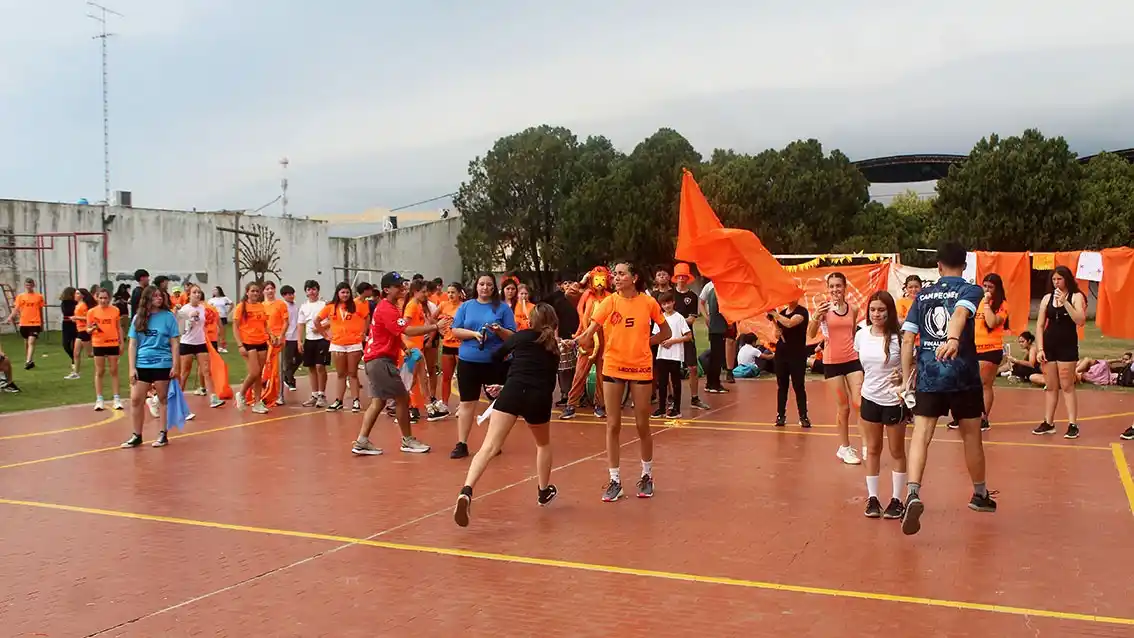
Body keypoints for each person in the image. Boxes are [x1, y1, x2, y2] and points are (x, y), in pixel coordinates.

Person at [899, 242, 996, 536]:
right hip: (963, 376)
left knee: (921, 435)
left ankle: (913, 492)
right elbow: (959, 316)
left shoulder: (923, 295)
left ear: (938, 266)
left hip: (929, 375)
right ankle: (980, 494)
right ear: (964, 265)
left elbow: (907, 339)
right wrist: (953, 341)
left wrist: (906, 379)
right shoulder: (971, 290)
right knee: (971, 437)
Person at [453, 303, 562, 526]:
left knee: (489, 447)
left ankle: (467, 490)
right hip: (539, 397)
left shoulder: (520, 337)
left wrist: (505, 382)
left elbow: (496, 356)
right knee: (543, 445)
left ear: (531, 321)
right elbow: (549, 381)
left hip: (513, 391)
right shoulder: (553, 347)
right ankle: (543, 491)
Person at [573, 261, 670, 502]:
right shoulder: (609, 302)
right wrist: (579, 340)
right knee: (612, 425)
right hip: (613, 366)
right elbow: (591, 330)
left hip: (640, 368)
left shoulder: (648, 303)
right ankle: (615, 480)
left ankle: (647, 476)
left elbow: (666, 332)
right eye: (614, 274)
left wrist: (646, 343)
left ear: (634, 277)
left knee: (641, 425)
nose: (616, 278)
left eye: (621, 274)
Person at [352, 271, 434, 456]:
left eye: (403, 285)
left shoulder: (389, 307)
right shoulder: (386, 308)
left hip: (376, 359)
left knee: (378, 402)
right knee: (402, 398)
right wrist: (434, 327)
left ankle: (362, 441)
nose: (403, 288)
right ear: (387, 289)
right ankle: (407, 440)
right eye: (398, 286)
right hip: (380, 361)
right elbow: (408, 330)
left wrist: (404, 348)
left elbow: (394, 333)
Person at [447, 273, 516, 458]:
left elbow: (511, 335)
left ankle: (493, 442)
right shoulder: (466, 307)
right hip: (469, 361)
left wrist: (499, 330)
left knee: (497, 404)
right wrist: (473, 334)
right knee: (467, 402)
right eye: (481, 284)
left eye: (489, 285)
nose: (485, 288)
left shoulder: (502, 309)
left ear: (494, 288)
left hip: (495, 361)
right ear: (476, 286)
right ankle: (461, 443)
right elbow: (455, 330)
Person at [855, 291, 907, 520]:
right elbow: (860, 364)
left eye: (881, 310)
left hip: (893, 400)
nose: (876, 314)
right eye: (873, 309)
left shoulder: (900, 337)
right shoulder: (862, 334)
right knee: (873, 449)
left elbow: (913, 364)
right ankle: (873, 498)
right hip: (870, 398)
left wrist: (904, 378)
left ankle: (897, 499)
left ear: (889, 311)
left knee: (896, 451)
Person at [807, 272, 863, 465]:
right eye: (831, 286)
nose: (835, 290)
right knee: (844, 407)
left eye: (838, 286)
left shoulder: (853, 309)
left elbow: (852, 331)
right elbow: (811, 333)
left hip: (852, 359)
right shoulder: (823, 310)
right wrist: (815, 317)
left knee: (860, 403)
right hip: (832, 362)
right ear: (828, 289)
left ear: (845, 287)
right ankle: (844, 447)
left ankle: (866, 445)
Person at [122, 285, 180, 449]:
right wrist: (131, 368)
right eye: (155, 296)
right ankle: (137, 435)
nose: (159, 298)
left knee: (162, 398)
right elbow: (132, 344)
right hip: (142, 363)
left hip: (162, 362)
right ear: (147, 298)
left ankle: (163, 433)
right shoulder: (138, 318)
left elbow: (175, 343)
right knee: (135, 399)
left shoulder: (168, 317)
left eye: (160, 296)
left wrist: (175, 365)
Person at [1033, 266, 1087, 439]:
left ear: (1067, 280)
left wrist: (1065, 302)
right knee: (1051, 386)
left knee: (1067, 385)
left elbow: (1080, 320)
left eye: (1060, 279)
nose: (1056, 283)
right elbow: (1040, 325)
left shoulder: (1076, 297)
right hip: (1049, 345)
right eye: (1054, 280)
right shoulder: (1047, 298)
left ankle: (1072, 423)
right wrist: (1040, 348)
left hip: (1067, 345)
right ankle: (1048, 422)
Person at [318, 282, 370, 412]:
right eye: (342, 292)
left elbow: (367, 317)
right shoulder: (331, 306)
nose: (345, 295)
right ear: (338, 293)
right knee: (341, 374)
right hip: (337, 344)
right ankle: (338, 400)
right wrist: (324, 334)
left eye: (347, 292)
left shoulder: (357, 305)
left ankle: (356, 400)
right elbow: (316, 320)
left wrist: (364, 333)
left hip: (354, 343)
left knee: (352, 373)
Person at [967, 273, 1009, 432]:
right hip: (973, 347)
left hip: (990, 349)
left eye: (990, 287)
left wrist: (986, 304)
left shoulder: (1002, 305)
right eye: (984, 286)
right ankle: (967, 416)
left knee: (984, 384)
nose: (986, 290)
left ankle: (983, 417)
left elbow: (991, 322)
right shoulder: (975, 302)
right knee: (969, 384)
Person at [176, 284, 224, 410]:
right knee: (185, 372)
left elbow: (204, 324)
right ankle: (178, 398)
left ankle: (213, 397)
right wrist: (190, 320)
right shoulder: (184, 309)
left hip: (201, 342)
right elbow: (181, 330)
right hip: (187, 343)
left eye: (199, 292)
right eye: (194, 292)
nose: (197, 294)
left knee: (206, 371)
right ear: (189, 295)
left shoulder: (203, 308)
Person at [671, 263, 710, 410]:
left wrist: (677, 320)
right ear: (675, 278)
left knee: (692, 367)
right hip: (672, 336)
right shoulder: (670, 294)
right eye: (679, 276)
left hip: (687, 336)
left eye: (684, 276)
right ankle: (672, 396)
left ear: (688, 278)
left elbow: (691, 319)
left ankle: (694, 397)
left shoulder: (692, 297)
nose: (681, 279)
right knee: (671, 367)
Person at [771, 295, 811, 428]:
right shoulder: (782, 313)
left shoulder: (802, 312)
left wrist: (774, 314)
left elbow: (790, 323)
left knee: (798, 386)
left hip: (797, 354)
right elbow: (777, 334)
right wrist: (776, 326)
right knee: (782, 386)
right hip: (781, 353)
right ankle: (780, 415)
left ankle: (803, 416)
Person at [651, 291, 691, 419]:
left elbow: (688, 336)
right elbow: (656, 335)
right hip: (662, 355)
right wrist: (661, 342)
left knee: (675, 382)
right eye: (664, 304)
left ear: (673, 302)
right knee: (662, 382)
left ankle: (676, 409)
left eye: (669, 303)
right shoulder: (660, 318)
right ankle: (662, 408)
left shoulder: (679, 318)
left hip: (675, 355)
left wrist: (672, 341)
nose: (667, 306)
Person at [232, 282, 270, 414]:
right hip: (248, 342)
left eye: (257, 291)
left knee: (259, 374)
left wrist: (270, 335)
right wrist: (240, 344)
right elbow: (235, 327)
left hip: (262, 342)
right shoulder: (241, 307)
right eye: (252, 291)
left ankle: (257, 402)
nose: (255, 293)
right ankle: (241, 393)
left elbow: (265, 324)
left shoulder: (261, 306)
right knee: (254, 371)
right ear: (247, 292)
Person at [87, 288, 124, 410]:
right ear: (97, 298)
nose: (103, 300)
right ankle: (99, 399)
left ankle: (117, 398)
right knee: (100, 371)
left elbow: (118, 328)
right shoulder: (92, 312)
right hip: (98, 344)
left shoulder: (115, 310)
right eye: (101, 298)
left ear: (109, 298)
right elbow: (87, 329)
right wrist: (92, 329)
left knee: (114, 370)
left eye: (105, 298)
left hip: (112, 343)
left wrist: (121, 342)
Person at [297, 280, 329, 407]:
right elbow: (300, 324)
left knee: (320, 366)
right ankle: (314, 394)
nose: (312, 292)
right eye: (309, 289)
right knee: (311, 367)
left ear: (318, 290)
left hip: (322, 339)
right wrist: (299, 341)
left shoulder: (324, 305)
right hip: (309, 340)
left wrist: (321, 327)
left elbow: (332, 320)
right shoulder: (303, 307)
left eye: (314, 289)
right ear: (306, 292)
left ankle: (322, 394)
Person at [7, 278, 46, 370]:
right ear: (25, 286)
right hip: (24, 322)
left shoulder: (39, 297)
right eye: (27, 285)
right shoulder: (20, 297)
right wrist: (10, 317)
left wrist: (42, 322)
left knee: (31, 341)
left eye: (30, 285)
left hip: (35, 322)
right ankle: (30, 360)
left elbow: (40, 310)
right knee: (26, 342)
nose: (29, 287)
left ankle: (28, 361)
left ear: (33, 285)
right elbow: (16, 308)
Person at [702, 281, 729, 395]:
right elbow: (722, 309)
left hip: (715, 326)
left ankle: (710, 383)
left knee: (715, 355)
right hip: (718, 326)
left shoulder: (714, 289)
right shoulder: (717, 290)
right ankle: (714, 384)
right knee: (717, 356)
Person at [66, 288, 95, 379]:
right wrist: (75, 319)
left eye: (78, 293)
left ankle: (109, 356)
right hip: (79, 330)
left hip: (84, 330)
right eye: (75, 293)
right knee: (76, 353)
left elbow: (88, 318)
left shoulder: (84, 305)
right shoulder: (78, 305)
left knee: (90, 353)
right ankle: (76, 373)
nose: (75, 295)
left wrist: (76, 317)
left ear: (83, 295)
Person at [279, 285, 301, 391]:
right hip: (287, 337)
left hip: (296, 336)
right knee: (288, 360)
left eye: (292, 294)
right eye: (289, 294)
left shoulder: (295, 306)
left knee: (301, 357)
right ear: (284, 295)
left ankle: (286, 375)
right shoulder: (282, 306)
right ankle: (290, 380)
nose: (291, 296)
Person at [208, 286, 232, 352]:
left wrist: (228, 312)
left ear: (219, 290)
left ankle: (223, 347)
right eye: (213, 290)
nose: (214, 291)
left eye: (215, 290)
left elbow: (231, 304)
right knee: (217, 332)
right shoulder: (211, 300)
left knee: (222, 333)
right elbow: (208, 308)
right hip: (215, 317)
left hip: (223, 317)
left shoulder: (225, 298)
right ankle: (218, 346)